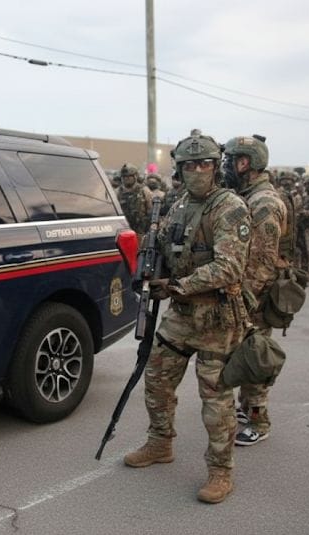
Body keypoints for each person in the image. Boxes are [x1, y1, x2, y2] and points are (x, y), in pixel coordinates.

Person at [123, 129, 251, 505]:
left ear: (217, 167)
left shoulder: (228, 206)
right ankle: (160, 443)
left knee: (215, 399)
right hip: (180, 313)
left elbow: (230, 267)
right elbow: (164, 244)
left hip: (216, 316)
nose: (197, 170)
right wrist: (148, 267)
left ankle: (220, 471)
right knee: (157, 378)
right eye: (190, 164)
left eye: (205, 164)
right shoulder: (177, 203)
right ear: (179, 168)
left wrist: (177, 285)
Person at [222, 135, 287, 447]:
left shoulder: (264, 203)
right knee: (245, 352)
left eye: (230, 159)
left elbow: (262, 263)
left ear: (244, 162)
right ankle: (249, 410)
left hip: (256, 297)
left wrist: (241, 301)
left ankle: (260, 420)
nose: (225, 166)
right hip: (248, 293)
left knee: (254, 354)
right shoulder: (248, 195)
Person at [117, 163, 153, 240]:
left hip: (140, 232)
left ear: (135, 177)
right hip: (123, 232)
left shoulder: (144, 191)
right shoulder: (117, 192)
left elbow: (150, 211)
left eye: (129, 176)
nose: (126, 179)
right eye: (124, 177)